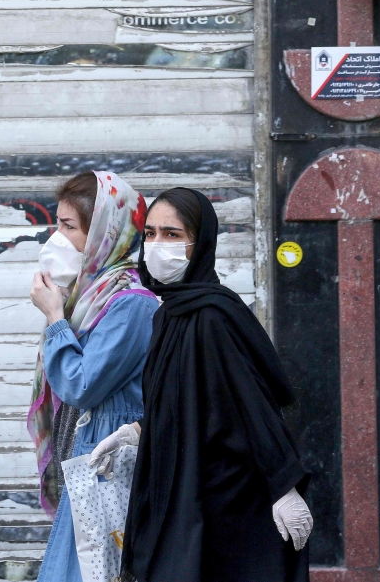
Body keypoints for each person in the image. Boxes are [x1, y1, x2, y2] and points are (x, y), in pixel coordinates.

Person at [89, 188, 313, 582]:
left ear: (201, 242)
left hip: (225, 499)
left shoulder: (213, 315)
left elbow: (252, 404)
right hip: (183, 489)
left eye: (173, 235)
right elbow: (184, 397)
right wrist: (136, 432)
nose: (158, 245)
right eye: (152, 234)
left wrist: (284, 485)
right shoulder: (170, 313)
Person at [28, 171, 159, 582]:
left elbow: (81, 386)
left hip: (108, 462)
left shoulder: (131, 303)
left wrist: (53, 317)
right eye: (56, 224)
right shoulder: (89, 298)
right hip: (86, 454)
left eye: (69, 226)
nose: (56, 238)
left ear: (104, 232)